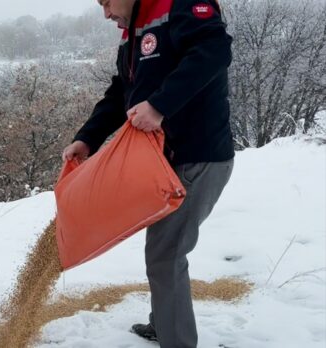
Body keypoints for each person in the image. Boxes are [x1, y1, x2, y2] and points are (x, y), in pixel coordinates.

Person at [61, 0, 235, 346]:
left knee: (165, 254)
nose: (105, 13)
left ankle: (177, 340)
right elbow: (120, 92)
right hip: (162, 162)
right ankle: (165, 322)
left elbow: (214, 51)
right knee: (161, 247)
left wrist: (160, 106)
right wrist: (87, 138)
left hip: (197, 156)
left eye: (106, 2)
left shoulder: (181, 4)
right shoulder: (134, 30)